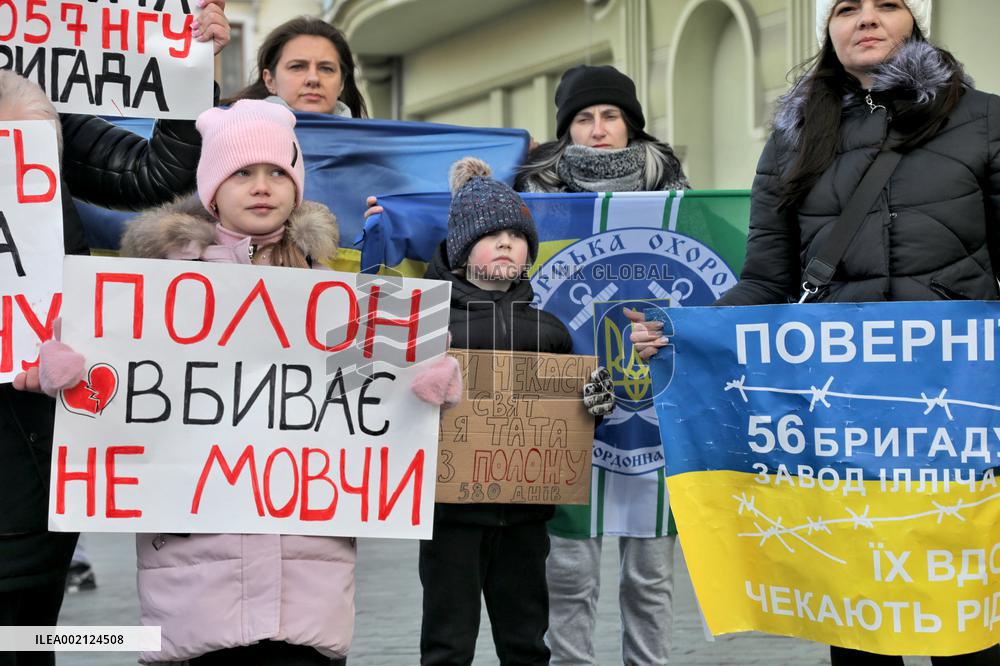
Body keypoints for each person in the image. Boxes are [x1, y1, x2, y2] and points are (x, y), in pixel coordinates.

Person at [632, 0, 1000, 663]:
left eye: (887, 4)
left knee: (969, 622)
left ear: (912, 20)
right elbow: (767, 281)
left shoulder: (987, 122)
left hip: (961, 415)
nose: (866, 19)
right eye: (846, 8)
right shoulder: (796, 138)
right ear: (827, 27)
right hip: (845, 415)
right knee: (861, 625)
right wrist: (684, 333)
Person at [2, 6, 229, 661]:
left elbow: (155, 174)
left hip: (32, 425)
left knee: (22, 627)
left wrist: (189, 70)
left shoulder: (43, 109)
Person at [515, 64, 689, 666]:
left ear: (630, 123)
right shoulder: (532, 200)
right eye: (583, 118)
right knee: (567, 570)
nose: (597, 129)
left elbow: (709, 290)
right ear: (566, 130)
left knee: (649, 575)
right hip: (562, 402)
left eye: (610, 115)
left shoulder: (678, 198)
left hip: (655, 413)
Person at [416, 156, 614, 666]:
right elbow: (383, 401)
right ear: (461, 251)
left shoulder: (550, 330)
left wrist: (595, 405)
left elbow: (573, 417)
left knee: (527, 641)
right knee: (447, 642)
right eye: (490, 234)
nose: (506, 242)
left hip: (526, 518)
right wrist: (418, 384)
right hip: (448, 518)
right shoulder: (428, 324)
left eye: (517, 234)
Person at [226, 16, 367, 118]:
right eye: (297, 66)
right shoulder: (231, 132)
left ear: (341, 83)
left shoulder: (369, 147)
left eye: (326, 68)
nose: (313, 79)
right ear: (270, 81)